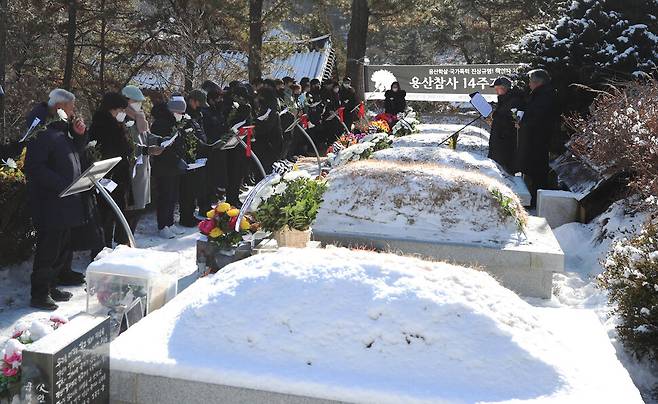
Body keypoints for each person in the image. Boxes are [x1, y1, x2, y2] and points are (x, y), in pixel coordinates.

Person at [24, 89, 88, 310]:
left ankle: (51, 285)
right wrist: (62, 183)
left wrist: (78, 135)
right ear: (60, 107)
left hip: (66, 199)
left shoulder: (60, 129)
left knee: (61, 246)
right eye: (71, 109)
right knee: (48, 248)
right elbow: (33, 167)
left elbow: (74, 154)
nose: (73, 114)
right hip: (50, 200)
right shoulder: (41, 130)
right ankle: (39, 293)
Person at [88, 92, 133, 247]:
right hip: (109, 175)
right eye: (120, 110)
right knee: (106, 215)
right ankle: (103, 247)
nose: (122, 113)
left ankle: (120, 242)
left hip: (119, 174)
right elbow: (105, 150)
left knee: (119, 211)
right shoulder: (101, 125)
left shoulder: (117, 124)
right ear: (111, 108)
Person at [121, 85, 162, 233]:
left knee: (139, 207)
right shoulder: (123, 119)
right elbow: (127, 144)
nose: (139, 104)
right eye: (135, 101)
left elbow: (147, 136)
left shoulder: (140, 118)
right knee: (131, 208)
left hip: (143, 168)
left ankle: (129, 237)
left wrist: (161, 141)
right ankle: (125, 239)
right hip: (131, 169)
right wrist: (146, 150)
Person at [518, 69, 559, 207]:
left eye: (530, 81)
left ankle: (535, 200)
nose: (529, 84)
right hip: (534, 139)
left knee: (537, 171)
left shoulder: (544, 96)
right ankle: (533, 198)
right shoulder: (538, 95)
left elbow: (538, 118)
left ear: (537, 82)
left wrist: (523, 123)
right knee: (533, 170)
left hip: (539, 140)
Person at [151, 94, 188, 238]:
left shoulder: (174, 122)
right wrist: (176, 159)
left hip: (174, 165)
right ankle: (162, 225)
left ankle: (170, 222)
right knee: (165, 196)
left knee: (173, 196)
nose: (181, 115)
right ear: (172, 110)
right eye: (179, 112)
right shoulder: (161, 123)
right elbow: (161, 146)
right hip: (164, 165)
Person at [178, 89, 210, 227]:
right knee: (187, 189)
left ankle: (190, 213)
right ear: (192, 101)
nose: (200, 106)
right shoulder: (185, 115)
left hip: (198, 156)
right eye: (199, 103)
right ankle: (185, 216)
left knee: (193, 188)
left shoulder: (197, 114)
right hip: (188, 156)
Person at [487, 77, 524, 173]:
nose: (496, 91)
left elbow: (510, 119)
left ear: (504, 88)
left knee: (505, 170)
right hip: (500, 139)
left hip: (505, 142)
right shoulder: (504, 99)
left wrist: (496, 117)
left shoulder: (514, 100)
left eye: (497, 88)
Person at [225, 85, 254, 207]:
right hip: (234, 144)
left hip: (243, 142)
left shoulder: (246, 107)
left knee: (239, 172)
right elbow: (232, 123)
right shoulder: (233, 107)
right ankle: (231, 198)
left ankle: (235, 196)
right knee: (234, 172)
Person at [201, 84, 229, 202]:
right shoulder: (206, 112)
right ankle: (211, 194)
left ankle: (219, 192)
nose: (220, 101)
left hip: (221, 146)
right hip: (211, 147)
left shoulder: (219, 111)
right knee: (211, 173)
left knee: (220, 172)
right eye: (218, 99)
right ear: (211, 100)